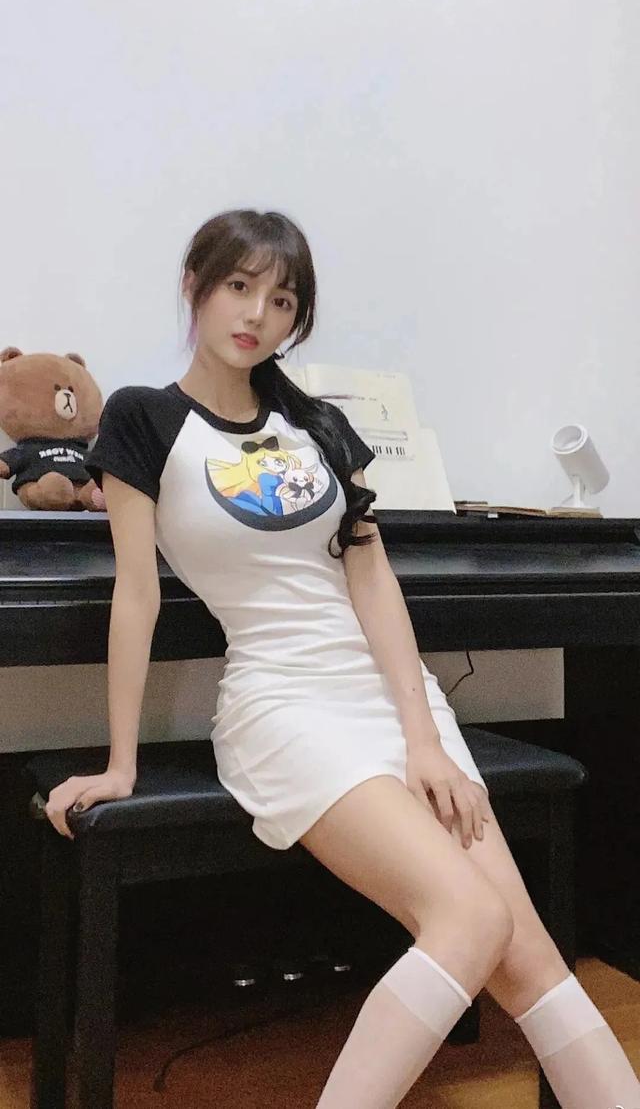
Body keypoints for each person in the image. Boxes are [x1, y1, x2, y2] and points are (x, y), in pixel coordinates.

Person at [45, 209, 639, 1109]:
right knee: (470, 917)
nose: (258, 313)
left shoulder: (317, 423)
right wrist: (121, 763)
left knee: (529, 959)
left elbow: (373, 581)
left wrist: (423, 735)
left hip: (390, 701)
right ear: (195, 286)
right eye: (239, 286)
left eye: (282, 300)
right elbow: (138, 596)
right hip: (285, 706)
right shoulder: (142, 419)